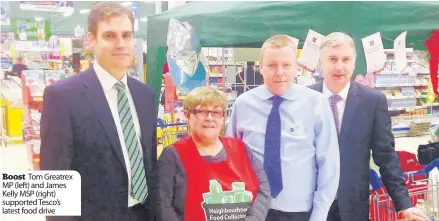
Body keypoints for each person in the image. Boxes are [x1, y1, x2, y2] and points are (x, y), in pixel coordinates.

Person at [40, 2, 157, 221]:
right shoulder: (63, 96)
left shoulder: (145, 95)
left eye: (127, 35)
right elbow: (54, 177)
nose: (121, 44)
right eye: (110, 36)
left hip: (143, 214)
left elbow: (149, 162)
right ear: (91, 40)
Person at [309, 32, 428, 221]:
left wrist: (404, 204)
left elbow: (386, 156)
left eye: (346, 59)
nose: (339, 66)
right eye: (332, 59)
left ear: (354, 63)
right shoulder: (303, 99)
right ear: (320, 62)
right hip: (310, 206)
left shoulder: (372, 102)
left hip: (352, 207)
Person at [227, 34, 340, 221]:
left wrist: (319, 214)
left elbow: (329, 163)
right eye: (271, 65)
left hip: (301, 211)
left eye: (286, 65)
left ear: (296, 67)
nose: (279, 72)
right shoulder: (243, 104)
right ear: (260, 67)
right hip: (253, 210)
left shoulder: (316, 104)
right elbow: (231, 159)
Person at [157, 86, 271, 221]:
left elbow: (263, 190)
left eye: (216, 112)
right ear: (187, 115)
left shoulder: (241, 148)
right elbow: (163, 206)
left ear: (223, 117)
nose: (210, 118)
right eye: (202, 112)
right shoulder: (173, 155)